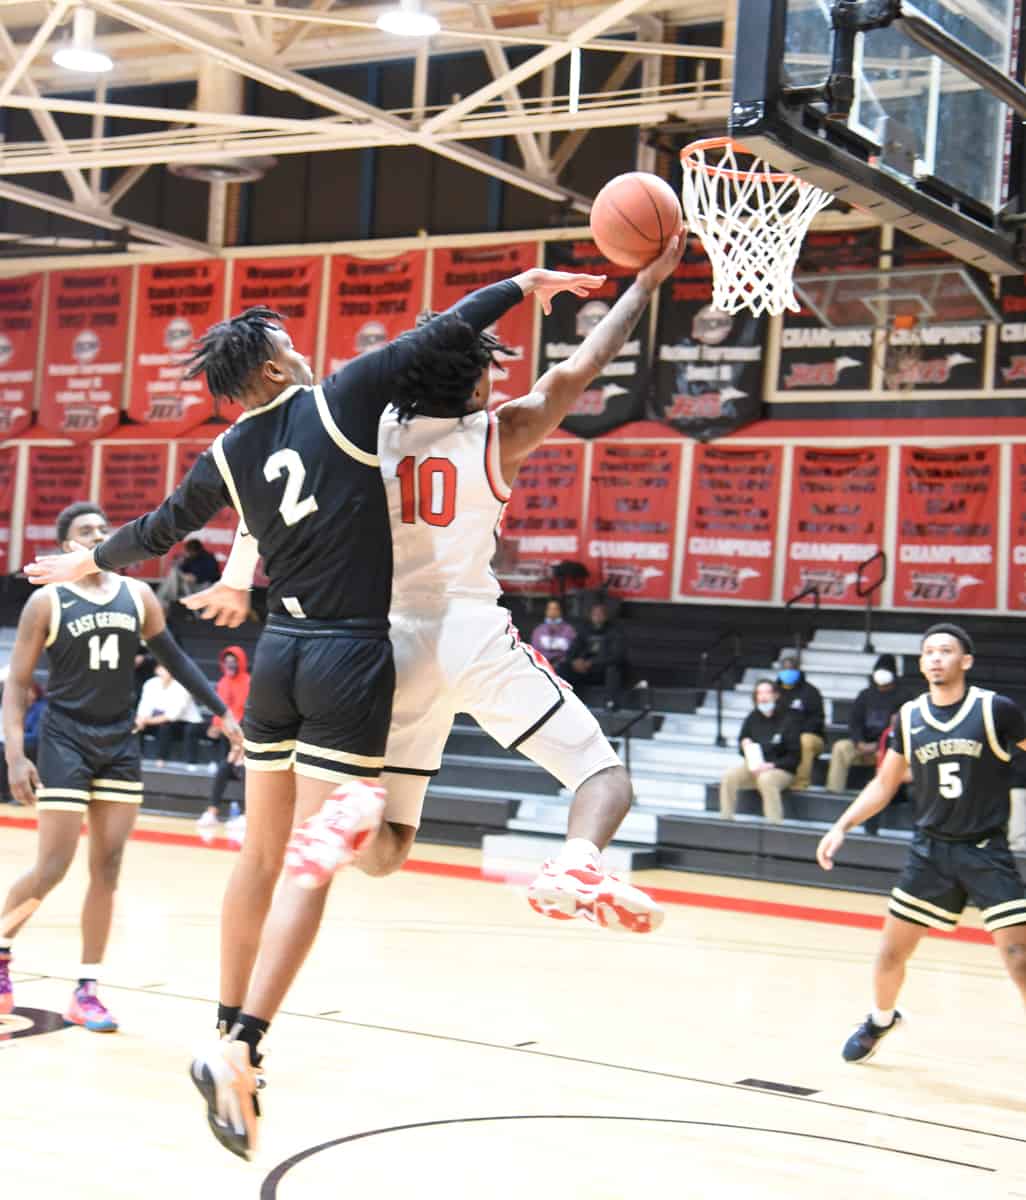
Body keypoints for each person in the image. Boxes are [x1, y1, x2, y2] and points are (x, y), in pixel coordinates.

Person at [25, 264, 601, 1160]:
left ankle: (224, 1025)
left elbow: (158, 528)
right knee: (313, 863)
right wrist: (526, 281)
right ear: (266, 372)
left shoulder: (222, 454)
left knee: (258, 857)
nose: (300, 350)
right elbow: (444, 333)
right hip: (346, 655)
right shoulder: (334, 402)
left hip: (279, 656)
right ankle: (246, 1045)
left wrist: (87, 564)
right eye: (286, 344)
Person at [0, 502, 242, 1030]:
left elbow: (175, 659)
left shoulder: (138, 595)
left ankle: (87, 989)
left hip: (119, 740)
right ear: (68, 547)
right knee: (53, 867)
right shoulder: (46, 601)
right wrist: (16, 755)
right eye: (86, 531)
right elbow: (17, 684)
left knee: (107, 867)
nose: (99, 536)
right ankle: (1, 951)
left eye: (104, 530)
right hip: (65, 738)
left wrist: (222, 711)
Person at [817, 623, 1026, 1063]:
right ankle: (880, 1019)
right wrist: (842, 826)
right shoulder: (909, 717)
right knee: (892, 952)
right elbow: (884, 783)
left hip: (985, 849)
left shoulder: (996, 710)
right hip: (930, 851)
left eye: (945, 651)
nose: (935, 658)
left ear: (965, 661)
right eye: (928, 651)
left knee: (1018, 957)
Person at [719, 679, 801, 822]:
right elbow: (742, 743)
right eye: (759, 693)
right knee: (729, 777)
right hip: (755, 766)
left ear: (775, 695)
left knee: (766, 779)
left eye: (767, 692)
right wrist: (744, 745)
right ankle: (725, 819)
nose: (763, 697)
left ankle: (774, 824)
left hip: (780, 769)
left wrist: (771, 765)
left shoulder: (788, 719)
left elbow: (794, 757)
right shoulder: (752, 717)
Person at [826, 654, 903, 792]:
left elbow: (898, 729)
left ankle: (880, 794)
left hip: (885, 747)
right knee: (840, 747)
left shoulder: (903, 696)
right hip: (862, 745)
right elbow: (854, 721)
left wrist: (878, 744)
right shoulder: (865, 695)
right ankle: (834, 791)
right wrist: (859, 742)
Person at [197, 645, 251, 838]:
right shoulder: (223, 682)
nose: (230, 664)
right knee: (223, 769)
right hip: (230, 737)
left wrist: (240, 746)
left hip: (247, 738)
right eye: (227, 660)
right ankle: (212, 812)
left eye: (234, 660)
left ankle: (247, 815)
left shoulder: (248, 682)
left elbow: (245, 713)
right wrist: (218, 725)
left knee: (246, 771)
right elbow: (220, 710)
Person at [557, 601, 626, 708]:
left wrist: (592, 663)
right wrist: (574, 661)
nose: (597, 616)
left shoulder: (615, 631)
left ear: (606, 616)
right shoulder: (584, 630)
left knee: (613, 669)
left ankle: (610, 703)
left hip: (602, 670)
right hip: (585, 669)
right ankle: (563, 700)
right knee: (564, 667)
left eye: (600, 614)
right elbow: (572, 650)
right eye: (595, 614)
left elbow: (617, 656)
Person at [134, 663, 204, 767]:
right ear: (157, 670)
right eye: (162, 668)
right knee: (135, 726)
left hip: (185, 721)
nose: (165, 672)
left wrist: (145, 721)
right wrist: (140, 719)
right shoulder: (150, 684)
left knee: (165, 727)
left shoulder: (182, 687)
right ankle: (136, 757)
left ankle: (163, 759)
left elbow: (172, 715)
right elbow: (145, 706)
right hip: (159, 719)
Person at [776, 652, 825, 788]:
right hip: (782, 735)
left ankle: (800, 783)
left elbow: (817, 720)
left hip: (809, 736)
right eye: (785, 669)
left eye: (792, 669)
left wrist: (795, 734)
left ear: (798, 670)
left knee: (804, 740)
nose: (788, 672)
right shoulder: (773, 691)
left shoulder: (810, 692)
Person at [0, 681, 45, 803]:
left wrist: (15, 741)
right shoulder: (24, 709)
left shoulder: (40, 708)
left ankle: (16, 794)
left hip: (37, 744)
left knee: (6, 750)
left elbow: (37, 734)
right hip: (25, 742)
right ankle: (4, 793)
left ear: (35, 693)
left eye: (28, 691)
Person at [157, 537, 222, 613]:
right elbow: (182, 571)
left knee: (206, 585)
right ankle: (162, 599)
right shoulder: (189, 558)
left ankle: (162, 598)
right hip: (189, 586)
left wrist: (196, 577)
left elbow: (213, 576)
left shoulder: (209, 558)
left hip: (205, 586)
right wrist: (182, 564)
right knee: (173, 573)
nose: (188, 553)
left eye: (190, 551)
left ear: (197, 550)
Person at [530, 599, 576, 669]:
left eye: (555, 609)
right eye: (550, 609)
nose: (552, 612)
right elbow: (535, 650)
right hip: (542, 665)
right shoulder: (538, 630)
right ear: (546, 611)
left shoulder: (569, 629)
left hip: (562, 666)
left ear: (560, 611)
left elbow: (570, 649)